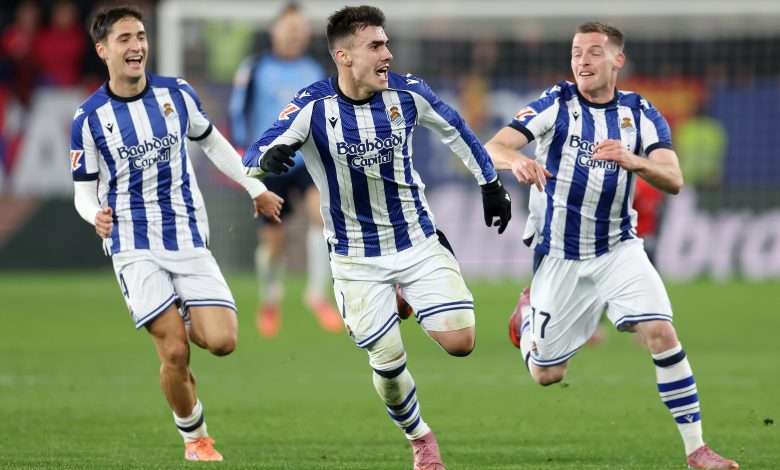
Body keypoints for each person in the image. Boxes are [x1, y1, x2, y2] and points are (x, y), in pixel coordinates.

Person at [243, 6, 511, 469]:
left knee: (462, 342)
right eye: (376, 46)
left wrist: (490, 184)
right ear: (344, 56)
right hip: (355, 258)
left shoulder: (408, 93)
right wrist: (268, 162)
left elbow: (459, 132)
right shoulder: (312, 106)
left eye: (386, 43)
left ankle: (406, 297)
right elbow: (257, 151)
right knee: (388, 364)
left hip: (417, 241)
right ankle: (421, 439)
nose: (387, 53)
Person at [486, 22, 738, 470]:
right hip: (561, 255)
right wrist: (517, 161)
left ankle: (697, 449)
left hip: (619, 248)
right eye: (577, 52)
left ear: (617, 60)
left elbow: (674, 179)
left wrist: (633, 160)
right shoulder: (556, 103)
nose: (583, 60)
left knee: (661, 332)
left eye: (594, 52)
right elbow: (494, 147)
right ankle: (527, 322)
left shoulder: (640, 114)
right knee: (547, 374)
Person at [70, 6, 283, 461]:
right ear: (103, 50)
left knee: (222, 341)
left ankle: (183, 310)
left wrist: (253, 186)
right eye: (125, 38)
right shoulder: (88, 118)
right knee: (174, 351)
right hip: (132, 244)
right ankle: (195, 437)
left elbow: (212, 142)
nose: (137, 46)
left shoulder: (177, 94)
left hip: (187, 237)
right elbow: (82, 192)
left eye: (141, 36)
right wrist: (95, 217)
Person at [228, 3, 341, 338]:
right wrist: (243, 156)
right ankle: (270, 300)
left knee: (321, 217)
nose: (294, 34)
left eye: (300, 29)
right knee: (273, 242)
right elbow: (238, 111)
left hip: (307, 161)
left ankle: (317, 295)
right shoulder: (255, 68)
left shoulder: (315, 69)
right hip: (269, 164)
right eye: (288, 28)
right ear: (275, 31)